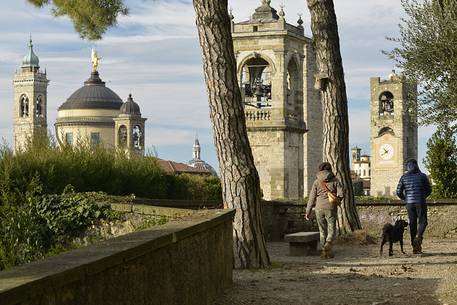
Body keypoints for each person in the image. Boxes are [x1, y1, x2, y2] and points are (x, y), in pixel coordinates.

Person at [305, 162, 343, 258]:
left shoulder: (317, 182)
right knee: (332, 230)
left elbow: (311, 198)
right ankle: (328, 244)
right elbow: (341, 194)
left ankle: (324, 252)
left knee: (322, 231)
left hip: (318, 208)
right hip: (330, 208)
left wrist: (308, 212)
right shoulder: (335, 180)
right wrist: (336, 199)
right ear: (330, 169)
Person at [396, 159, 432, 254]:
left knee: (412, 223)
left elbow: (398, 192)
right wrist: (423, 196)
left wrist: (405, 199)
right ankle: (418, 237)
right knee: (423, 221)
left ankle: (415, 247)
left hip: (409, 203)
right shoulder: (423, 176)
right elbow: (429, 190)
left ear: (408, 167)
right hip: (420, 201)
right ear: (417, 165)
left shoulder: (403, 177)